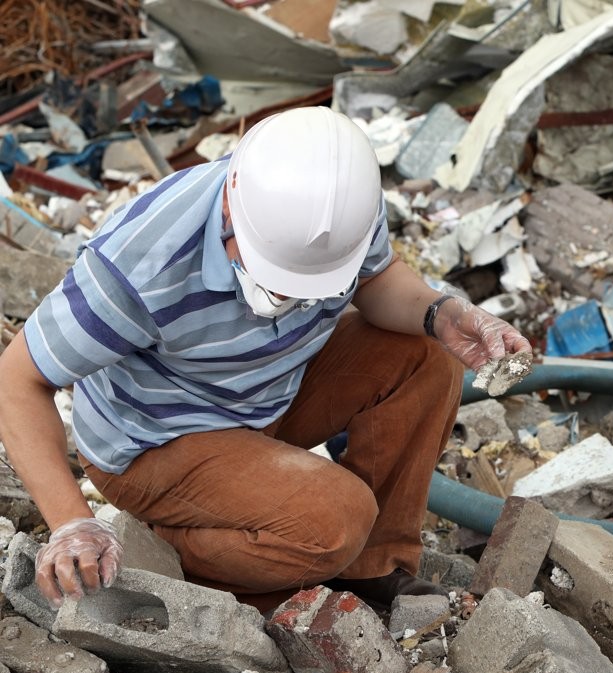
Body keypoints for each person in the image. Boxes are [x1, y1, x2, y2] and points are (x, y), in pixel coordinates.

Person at [0, 106, 531, 612]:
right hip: (157, 441)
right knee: (336, 518)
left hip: (268, 394)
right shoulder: (139, 262)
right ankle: (167, 545)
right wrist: (71, 521)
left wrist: (442, 313)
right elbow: (16, 380)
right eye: (275, 279)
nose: (290, 299)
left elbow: (376, 281)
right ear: (232, 204)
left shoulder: (343, 209)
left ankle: (372, 568)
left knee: (426, 356)